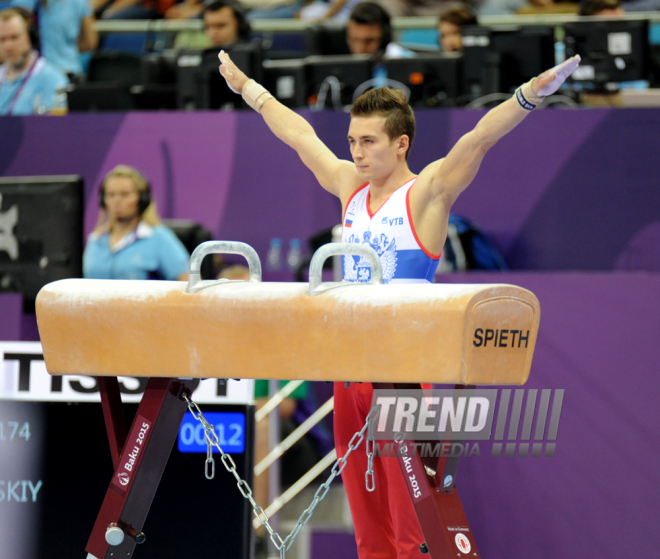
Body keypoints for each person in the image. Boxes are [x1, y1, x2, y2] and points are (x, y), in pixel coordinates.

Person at [217, 45, 580, 558]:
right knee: (370, 530)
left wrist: (528, 96)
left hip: (407, 374)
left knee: (411, 532)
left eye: (368, 142)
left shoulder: (427, 192)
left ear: (401, 143)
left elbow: (478, 140)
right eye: (351, 141)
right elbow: (298, 135)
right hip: (350, 374)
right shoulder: (349, 187)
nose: (357, 153)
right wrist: (247, 90)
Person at [84, 165, 190, 281]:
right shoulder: (95, 240)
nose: (117, 201)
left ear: (142, 199)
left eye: (125, 194)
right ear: (103, 201)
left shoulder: (158, 238)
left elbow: (190, 284)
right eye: (111, 195)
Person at [0, 7, 68, 115]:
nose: (8, 46)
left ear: (31, 37)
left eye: (14, 37)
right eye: (2, 39)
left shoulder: (53, 79)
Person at [12, 0, 97, 76]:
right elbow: (90, 42)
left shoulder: (23, 3)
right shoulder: (80, 2)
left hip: (37, 74)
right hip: (68, 70)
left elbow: (90, 42)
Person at [346, 2, 411, 58]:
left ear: (385, 38)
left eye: (369, 41)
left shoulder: (406, 62)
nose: (360, 48)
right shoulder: (341, 66)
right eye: (354, 40)